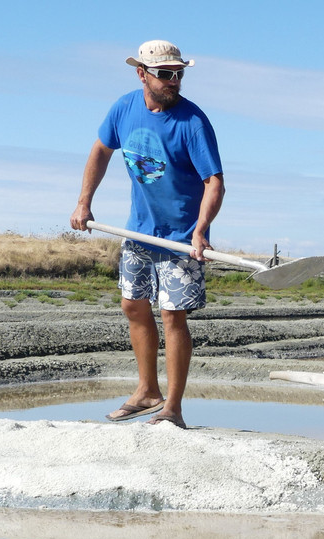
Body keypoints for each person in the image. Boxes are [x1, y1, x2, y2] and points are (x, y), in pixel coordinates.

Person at [70, 40, 225, 429]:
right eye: (165, 74)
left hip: (180, 239)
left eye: (179, 74)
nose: (174, 81)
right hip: (138, 232)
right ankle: (147, 391)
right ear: (142, 74)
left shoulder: (192, 121)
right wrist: (84, 202)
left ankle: (172, 407)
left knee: (173, 316)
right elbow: (101, 151)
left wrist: (201, 231)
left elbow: (215, 182)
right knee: (132, 306)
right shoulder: (124, 107)